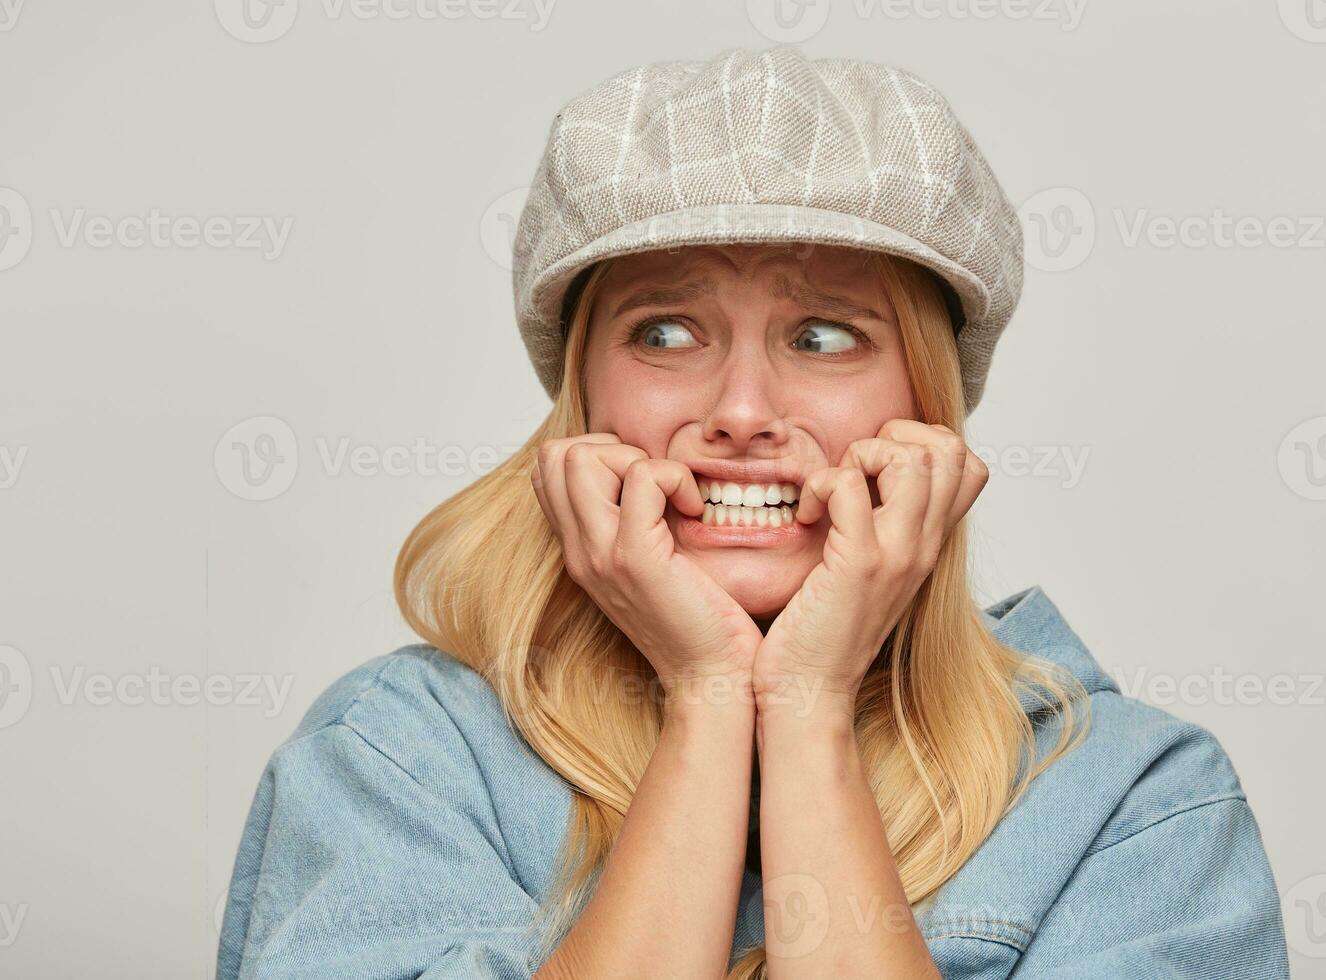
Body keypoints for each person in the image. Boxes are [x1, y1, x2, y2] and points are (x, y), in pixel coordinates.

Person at [216, 46, 1289, 979]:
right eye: (665, 332)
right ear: (581, 402)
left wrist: (812, 701)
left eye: (823, 336)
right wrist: (708, 691)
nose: (740, 411)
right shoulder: (399, 760)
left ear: (928, 406)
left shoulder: (1134, 804)